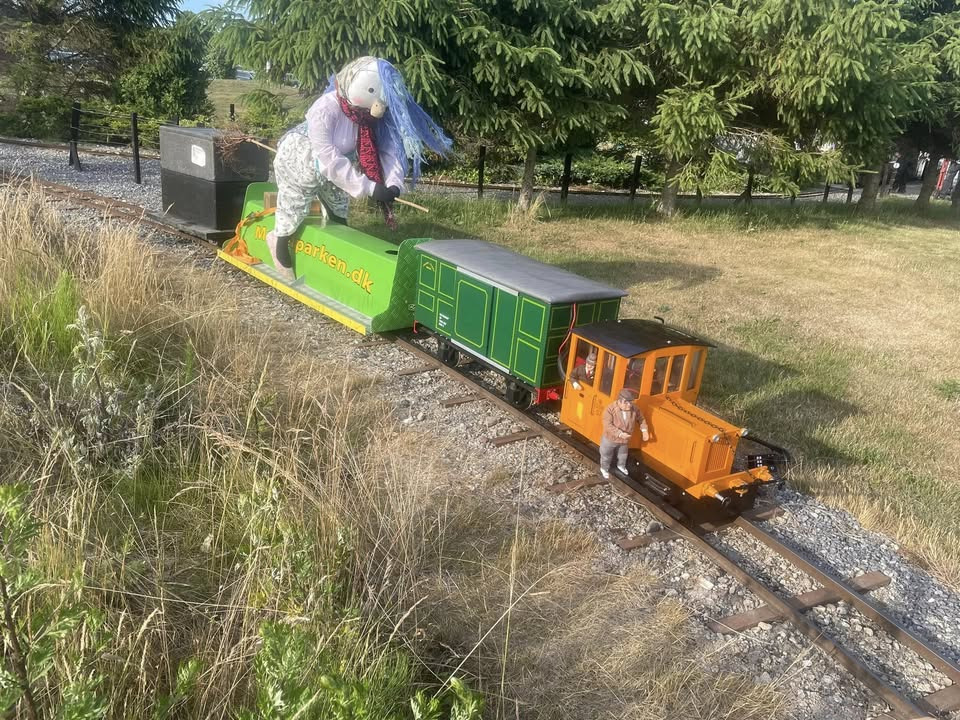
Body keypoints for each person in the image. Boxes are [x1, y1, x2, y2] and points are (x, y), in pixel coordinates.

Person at [265, 56, 452, 280]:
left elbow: (389, 149)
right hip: (301, 159)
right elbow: (327, 156)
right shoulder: (326, 107)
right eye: (373, 92)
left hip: (336, 167)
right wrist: (369, 187)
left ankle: (332, 258)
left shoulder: (373, 116)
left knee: (339, 210)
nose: (378, 105)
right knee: (294, 207)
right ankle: (279, 242)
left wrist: (393, 183)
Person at [599, 388, 649, 480]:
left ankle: (621, 466)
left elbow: (641, 419)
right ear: (620, 401)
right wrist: (620, 434)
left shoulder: (634, 409)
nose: (629, 405)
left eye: (630, 402)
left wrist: (644, 430)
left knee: (623, 454)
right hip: (610, 439)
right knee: (606, 455)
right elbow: (607, 425)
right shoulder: (610, 409)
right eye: (626, 403)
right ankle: (604, 469)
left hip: (624, 440)